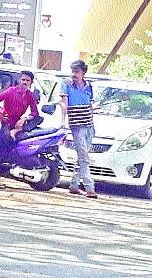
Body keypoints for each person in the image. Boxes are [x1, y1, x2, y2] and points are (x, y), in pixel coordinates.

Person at [60, 60, 97, 198]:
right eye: (73, 71)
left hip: (89, 124)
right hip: (76, 124)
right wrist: (63, 123)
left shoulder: (89, 86)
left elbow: (91, 104)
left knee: (82, 156)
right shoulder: (66, 84)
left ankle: (74, 185)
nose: (74, 74)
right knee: (84, 156)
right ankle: (89, 186)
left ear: (83, 73)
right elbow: (64, 104)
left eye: (77, 72)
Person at [0, 70, 39, 174]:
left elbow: (35, 112)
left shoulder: (30, 95)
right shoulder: (11, 91)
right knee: (4, 137)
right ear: (19, 80)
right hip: (6, 121)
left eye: (28, 80)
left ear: (31, 82)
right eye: (23, 80)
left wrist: (25, 118)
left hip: (19, 122)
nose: (25, 82)